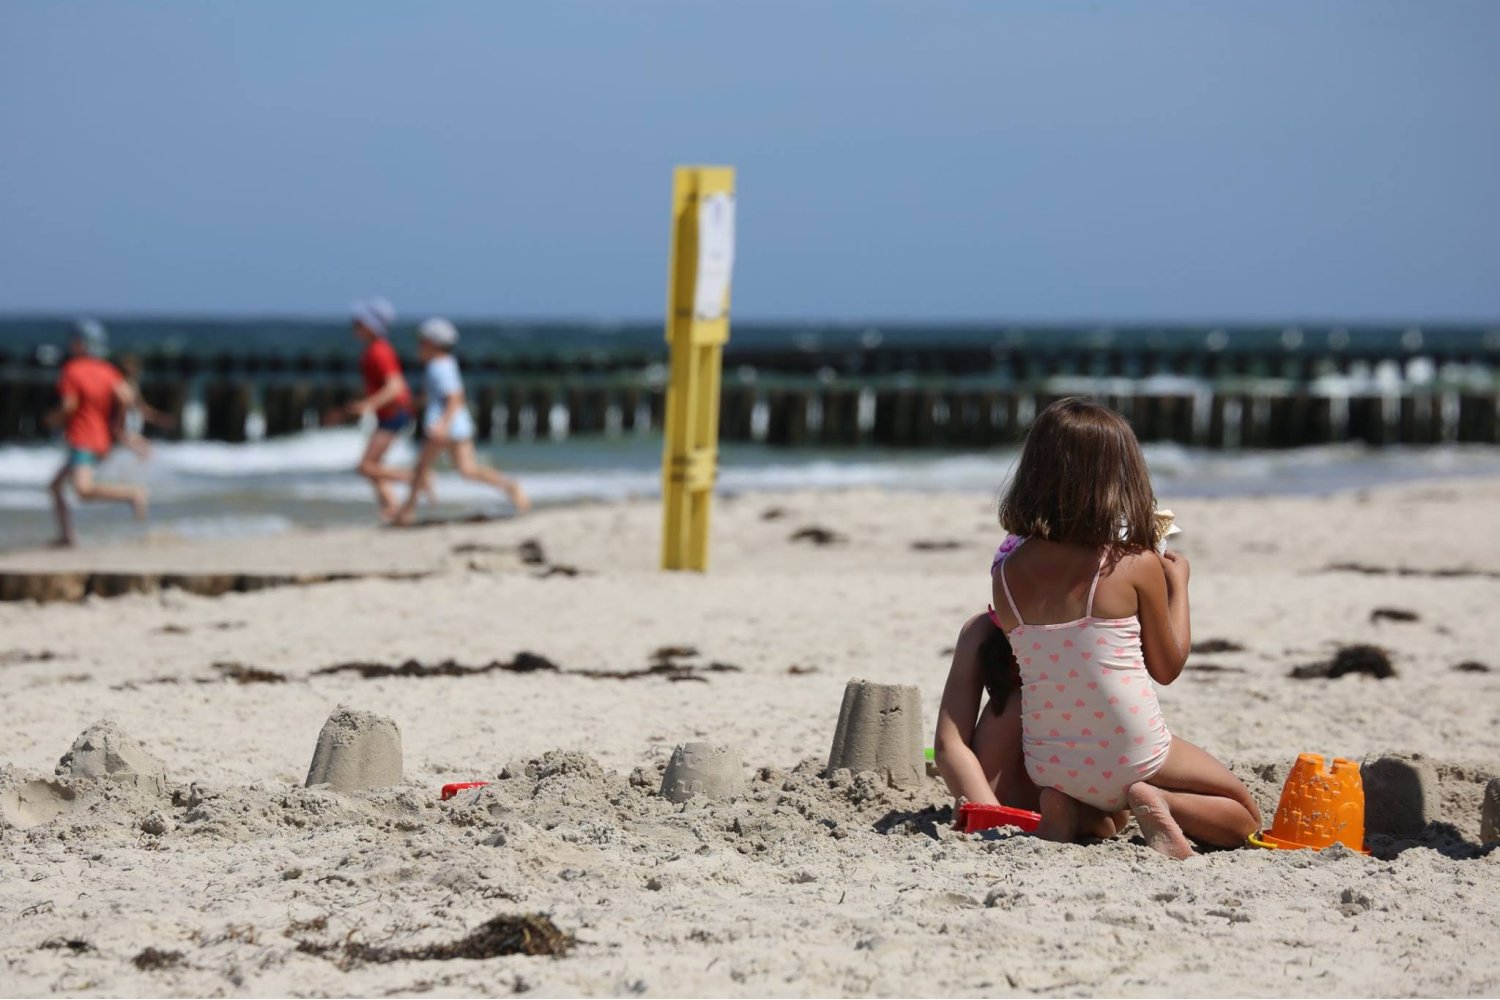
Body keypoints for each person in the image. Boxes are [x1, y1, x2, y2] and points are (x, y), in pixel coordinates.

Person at [940, 397, 1261, 859]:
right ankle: (1161, 800)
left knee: (1109, 819)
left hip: (1049, 762)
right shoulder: (1135, 564)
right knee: (1243, 813)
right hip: (1131, 745)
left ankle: (1068, 807)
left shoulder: (1006, 573)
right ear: (1120, 477)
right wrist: (1179, 586)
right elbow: (1167, 666)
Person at [392, 318, 529, 525]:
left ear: (432, 344)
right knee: (468, 470)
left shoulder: (439, 366)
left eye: (421, 342)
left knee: (421, 468)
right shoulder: (446, 364)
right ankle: (510, 487)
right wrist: (415, 403)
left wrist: (442, 424)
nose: (418, 347)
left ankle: (406, 511)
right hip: (459, 425)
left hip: (444, 425)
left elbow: (455, 397)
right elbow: (439, 395)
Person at [46, 319, 148, 546]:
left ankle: (133, 494)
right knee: (55, 486)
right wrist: (118, 427)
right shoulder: (108, 370)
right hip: (101, 438)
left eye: (74, 340)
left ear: (81, 343)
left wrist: (53, 419)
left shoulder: (72, 370)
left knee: (83, 489)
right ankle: (66, 537)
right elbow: (126, 397)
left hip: (83, 438)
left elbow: (69, 406)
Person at [341, 298, 420, 520]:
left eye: (358, 322)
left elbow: (396, 387)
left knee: (366, 467)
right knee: (373, 466)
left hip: (394, 414)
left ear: (370, 325)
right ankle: (394, 510)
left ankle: (416, 478)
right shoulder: (376, 349)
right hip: (390, 413)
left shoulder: (379, 351)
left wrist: (368, 404)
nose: (354, 325)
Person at [113, 353, 177, 458]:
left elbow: (141, 408)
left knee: (145, 453)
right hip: (123, 430)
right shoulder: (121, 385)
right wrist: (119, 430)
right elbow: (126, 408)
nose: (137, 370)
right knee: (145, 453)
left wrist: (159, 418)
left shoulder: (132, 384)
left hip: (130, 429)